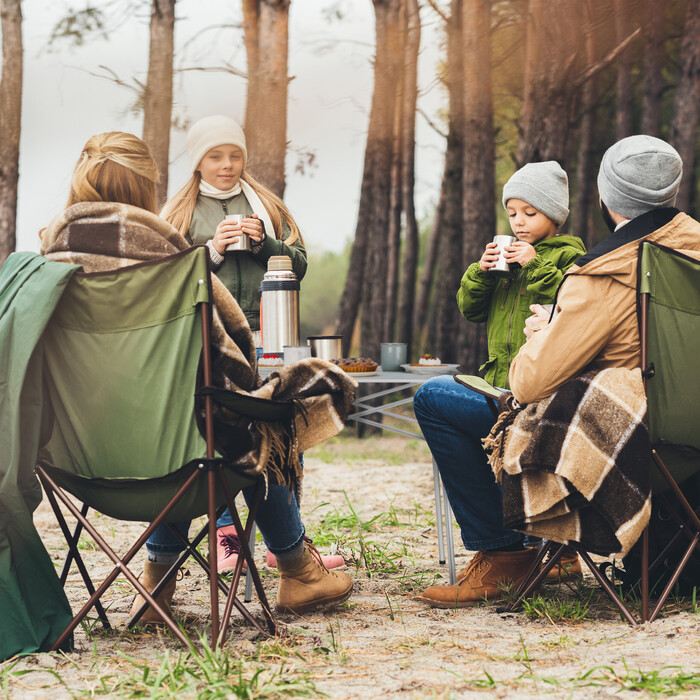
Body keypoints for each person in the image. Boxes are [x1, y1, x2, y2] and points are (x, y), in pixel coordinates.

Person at [40, 131, 355, 621]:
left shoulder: (45, 261)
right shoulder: (171, 259)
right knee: (243, 419)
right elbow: (231, 356)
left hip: (75, 458)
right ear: (148, 187)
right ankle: (299, 571)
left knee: (186, 418)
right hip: (172, 458)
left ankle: (157, 584)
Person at [161, 116, 345, 575]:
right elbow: (165, 278)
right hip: (210, 340)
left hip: (271, 339)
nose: (227, 165)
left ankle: (287, 541)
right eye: (215, 156)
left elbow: (297, 265)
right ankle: (226, 537)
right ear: (197, 161)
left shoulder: (265, 204)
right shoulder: (177, 213)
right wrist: (213, 252)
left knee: (282, 435)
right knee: (219, 432)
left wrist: (266, 245)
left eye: (235, 155)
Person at [413, 161, 586, 607]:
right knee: (455, 404)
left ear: (554, 215)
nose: (520, 222)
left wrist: (534, 267)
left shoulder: (570, 256)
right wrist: (480, 271)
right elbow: (470, 310)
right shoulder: (503, 257)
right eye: (513, 213)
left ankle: (504, 552)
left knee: (433, 401)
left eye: (530, 212)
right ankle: (550, 549)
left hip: (541, 389)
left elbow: (570, 306)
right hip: (499, 382)